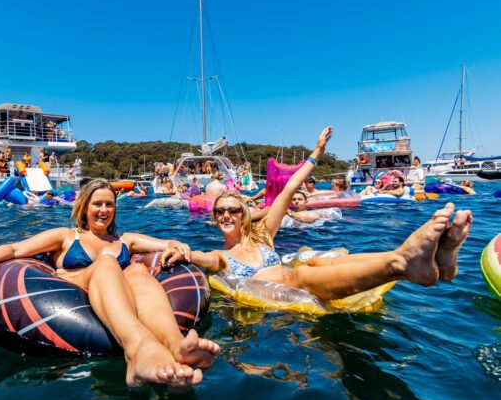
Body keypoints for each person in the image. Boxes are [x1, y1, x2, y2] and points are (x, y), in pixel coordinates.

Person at [162, 127, 473, 302]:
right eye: (220, 212)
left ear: (245, 214)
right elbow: (201, 257)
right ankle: (404, 262)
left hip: (297, 274)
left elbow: (287, 191)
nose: (226, 215)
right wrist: (184, 251)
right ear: (215, 219)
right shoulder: (221, 256)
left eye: (232, 210)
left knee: (317, 261)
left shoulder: (263, 235)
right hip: (287, 288)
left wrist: (316, 154)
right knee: (299, 273)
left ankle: (433, 261)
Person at [0, 179, 220, 387]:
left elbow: (169, 244)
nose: (104, 210)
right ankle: (138, 349)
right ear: (84, 207)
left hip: (117, 296)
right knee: (108, 264)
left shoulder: (125, 240)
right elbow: (15, 250)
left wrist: (179, 247)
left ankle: (176, 345)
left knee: (138, 272)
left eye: (110, 204)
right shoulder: (66, 237)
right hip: (75, 293)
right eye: (98, 204)